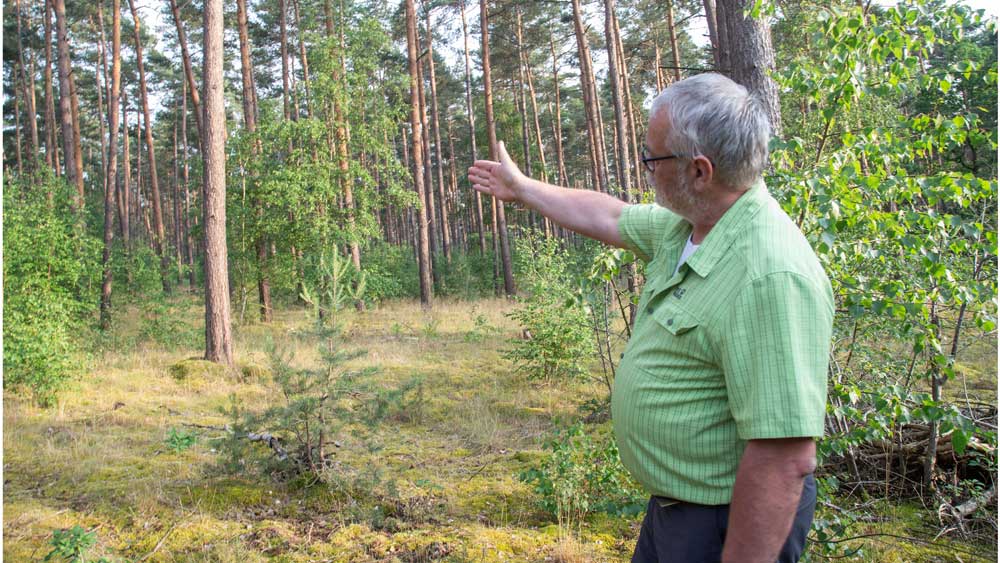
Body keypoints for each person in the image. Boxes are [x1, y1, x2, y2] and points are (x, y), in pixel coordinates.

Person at [467, 73, 833, 563]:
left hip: (725, 523)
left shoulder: (769, 274)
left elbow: (783, 459)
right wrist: (523, 188)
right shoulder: (693, 225)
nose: (645, 170)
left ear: (699, 171)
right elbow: (612, 217)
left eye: (653, 158)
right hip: (677, 511)